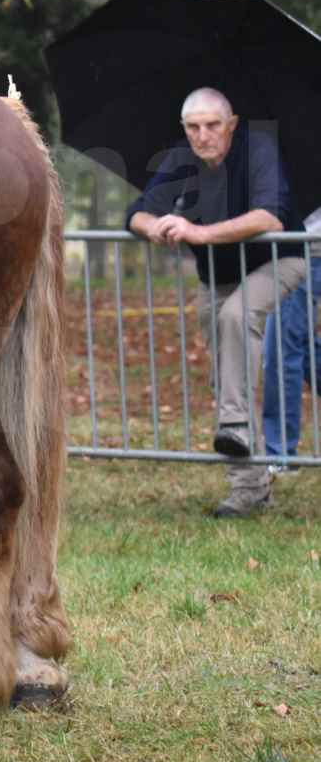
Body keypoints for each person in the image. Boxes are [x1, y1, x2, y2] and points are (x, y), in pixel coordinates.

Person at [126, 86, 308, 517]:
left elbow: (270, 215)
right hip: (219, 276)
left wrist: (198, 232)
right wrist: (155, 226)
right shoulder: (180, 159)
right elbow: (135, 212)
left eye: (212, 125)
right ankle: (250, 488)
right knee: (229, 377)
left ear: (231, 125)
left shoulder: (258, 147)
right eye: (193, 127)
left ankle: (234, 427)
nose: (203, 135)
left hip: (279, 261)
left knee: (234, 317)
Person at [260, 222, 321, 472]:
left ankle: (281, 455)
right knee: (300, 345)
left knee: (282, 347)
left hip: (307, 247)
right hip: (296, 247)